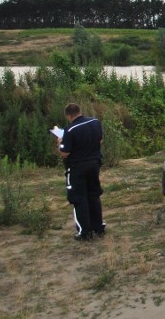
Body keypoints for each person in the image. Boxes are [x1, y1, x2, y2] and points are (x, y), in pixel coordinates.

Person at [58, 103, 105, 241]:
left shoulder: (70, 129)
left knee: (79, 198)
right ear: (80, 111)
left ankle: (85, 232)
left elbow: (65, 152)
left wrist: (60, 142)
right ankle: (98, 227)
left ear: (69, 115)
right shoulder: (95, 122)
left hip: (77, 167)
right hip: (94, 164)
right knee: (94, 195)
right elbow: (100, 139)